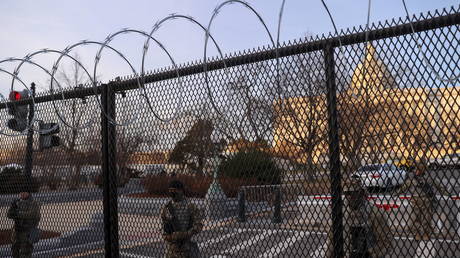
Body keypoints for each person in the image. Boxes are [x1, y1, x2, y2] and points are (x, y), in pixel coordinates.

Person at [325, 178, 393, 258]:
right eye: (348, 193)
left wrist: (371, 253)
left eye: (354, 192)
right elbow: (331, 241)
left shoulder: (375, 212)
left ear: (361, 192)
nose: (350, 196)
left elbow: (387, 242)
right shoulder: (339, 213)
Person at [394, 162, 450, 240]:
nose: (415, 171)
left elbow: (439, 187)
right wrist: (394, 194)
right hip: (415, 202)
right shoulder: (412, 179)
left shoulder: (428, 179)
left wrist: (447, 194)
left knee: (426, 219)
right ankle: (417, 234)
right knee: (416, 219)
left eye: (417, 169)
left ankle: (425, 234)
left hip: (426, 201)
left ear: (422, 170)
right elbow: (403, 188)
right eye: (415, 169)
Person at [160, 180, 203, 258]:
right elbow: (163, 225)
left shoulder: (190, 206)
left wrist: (185, 234)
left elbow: (199, 225)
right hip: (171, 249)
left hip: (186, 249)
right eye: (170, 190)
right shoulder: (167, 207)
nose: (172, 193)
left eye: (174, 190)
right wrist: (169, 236)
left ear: (181, 191)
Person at [7, 191, 41, 258]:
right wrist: (15, 211)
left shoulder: (33, 202)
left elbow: (32, 214)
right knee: (14, 251)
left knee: (25, 253)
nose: (22, 194)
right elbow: (9, 214)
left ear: (28, 192)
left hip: (28, 231)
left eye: (24, 192)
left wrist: (17, 213)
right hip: (17, 231)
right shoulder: (16, 202)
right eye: (20, 192)